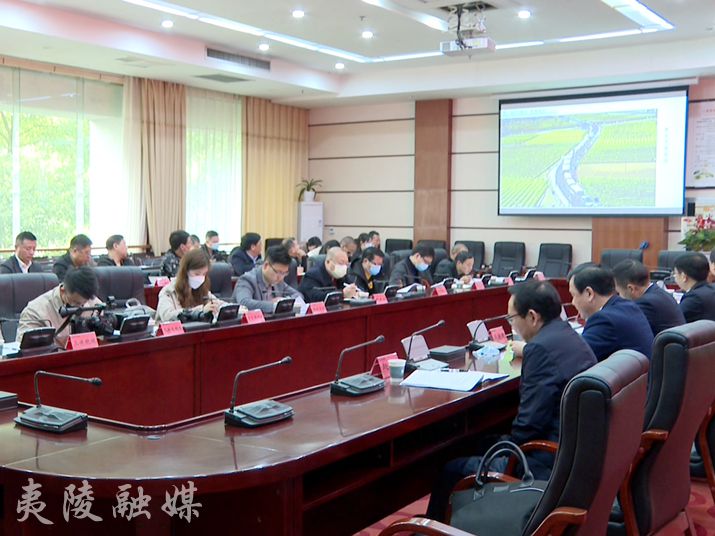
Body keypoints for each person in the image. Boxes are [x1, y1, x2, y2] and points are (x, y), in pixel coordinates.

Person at [425, 280, 597, 521]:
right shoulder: (567, 334)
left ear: (533, 317)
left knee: (451, 467)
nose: (511, 325)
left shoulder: (539, 349)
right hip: (573, 453)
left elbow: (528, 426)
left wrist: (502, 445)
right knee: (480, 443)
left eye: (511, 318)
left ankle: (434, 529)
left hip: (544, 460)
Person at [568, 263, 653, 360]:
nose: (573, 302)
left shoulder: (604, 320)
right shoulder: (628, 306)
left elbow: (574, 358)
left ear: (589, 293)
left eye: (573, 295)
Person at [16, 266, 103, 348]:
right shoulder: (35, 311)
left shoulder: (94, 303)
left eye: (84, 303)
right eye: (76, 303)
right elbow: (24, 350)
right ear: (63, 290)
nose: (80, 307)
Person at [612, 259, 685, 336]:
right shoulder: (658, 292)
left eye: (619, 293)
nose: (619, 296)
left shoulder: (645, 304)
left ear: (631, 289)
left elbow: (626, 331)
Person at [156, 249, 225, 322]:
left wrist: (226, 308)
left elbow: (217, 303)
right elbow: (167, 316)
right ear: (185, 272)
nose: (201, 278)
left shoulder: (202, 289)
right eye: (197, 274)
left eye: (204, 274)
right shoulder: (168, 291)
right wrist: (200, 311)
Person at [233, 246, 304, 314]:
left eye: (284, 273)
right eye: (278, 272)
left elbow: (298, 295)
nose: (281, 277)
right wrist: (275, 305)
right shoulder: (247, 280)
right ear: (266, 265)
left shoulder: (278, 281)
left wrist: (283, 301)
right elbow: (244, 303)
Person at [673, 251, 715, 322]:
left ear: (683, 276)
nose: (674, 276)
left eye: (675, 273)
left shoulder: (694, 298)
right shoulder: (711, 289)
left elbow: (674, 320)